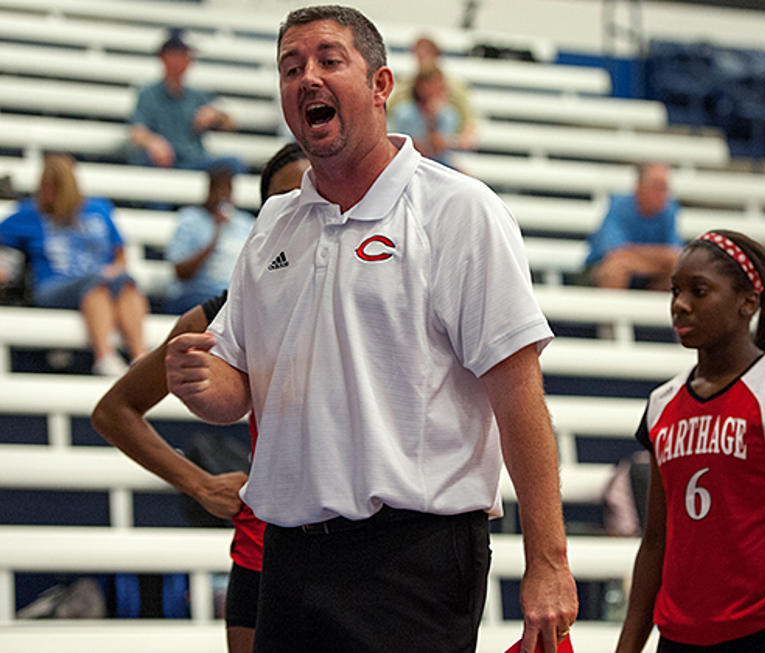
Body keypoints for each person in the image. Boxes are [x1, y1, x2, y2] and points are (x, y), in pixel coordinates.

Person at [164, 6, 577, 653]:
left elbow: (519, 395)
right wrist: (197, 379)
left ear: (382, 86)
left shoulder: (458, 212)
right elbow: (236, 385)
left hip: (412, 553)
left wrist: (549, 562)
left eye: (329, 60)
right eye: (290, 67)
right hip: (289, 552)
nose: (307, 79)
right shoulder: (275, 224)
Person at [90, 142, 311, 653]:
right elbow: (114, 411)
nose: (302, 211)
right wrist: (199, 484)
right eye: (283, 201)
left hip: (370, 544)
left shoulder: (382, 287)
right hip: (268, 544)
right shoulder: (224, 312)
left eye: (313, 196)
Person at [616, 230, 765, 652]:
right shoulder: (662, 403)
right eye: (676, 291)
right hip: (680, 636)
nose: (680, 304)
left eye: (699, 291)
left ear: (747, 303)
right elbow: (656, 541)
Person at [0, 153, 147, 376]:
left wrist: (115, 268)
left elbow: (120, 253)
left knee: (126, 284)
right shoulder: (31, 212)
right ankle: (104, 356)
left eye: (53, 186)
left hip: (101, 282)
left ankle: (140, 356)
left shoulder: (98, 208)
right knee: (96, 284)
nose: (47, 193)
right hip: (52, 286)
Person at [129, 30, 241, 171]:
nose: (187, 60)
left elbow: (230, 124)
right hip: (163, 160)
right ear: (166, 57)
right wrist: (154, 143)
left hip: (193, 160)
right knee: (145, 161)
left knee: (232, 164)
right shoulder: (148, 94)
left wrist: (215, 116)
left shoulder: (197, 95)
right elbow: (137, 131)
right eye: (182, 54)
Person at [164, 166, 254, 314]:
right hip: (196, 294)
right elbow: (181, 273)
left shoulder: (244, 223)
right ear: (209, 190)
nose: (223, 196)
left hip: (234, 296)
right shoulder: (190, 220)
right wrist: (215, 236)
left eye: (228, 190)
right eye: (219, 189)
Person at [585, 162, 683, 291]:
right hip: (601, 272)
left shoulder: (669, 211)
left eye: (664, 188)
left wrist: (633, 259)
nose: (662, 193)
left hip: (646, 275)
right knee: (615, 270)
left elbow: (676, 256)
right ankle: (610, 310)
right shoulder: (619, 206)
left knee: (677, 274)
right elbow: (614, 253)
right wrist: (659, 259)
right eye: (657, 186)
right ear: (639, 186)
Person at [390, 35, 479, 150]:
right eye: (419, 56)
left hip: (445, 144)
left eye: (427, 55)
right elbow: (390, 115)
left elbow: (469, 121)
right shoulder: (404, 91)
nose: (423, 61)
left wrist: (457, 140)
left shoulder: (451, 106)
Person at [389, 67, 461, 166]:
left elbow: (438, 147)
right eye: (431, 84)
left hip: (441, 164)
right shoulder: (403, 113)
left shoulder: (448, 114)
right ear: (419, 86)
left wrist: (432, 118)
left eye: (438, 85)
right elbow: (411, 148)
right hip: (408, 162)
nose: (435, 89)